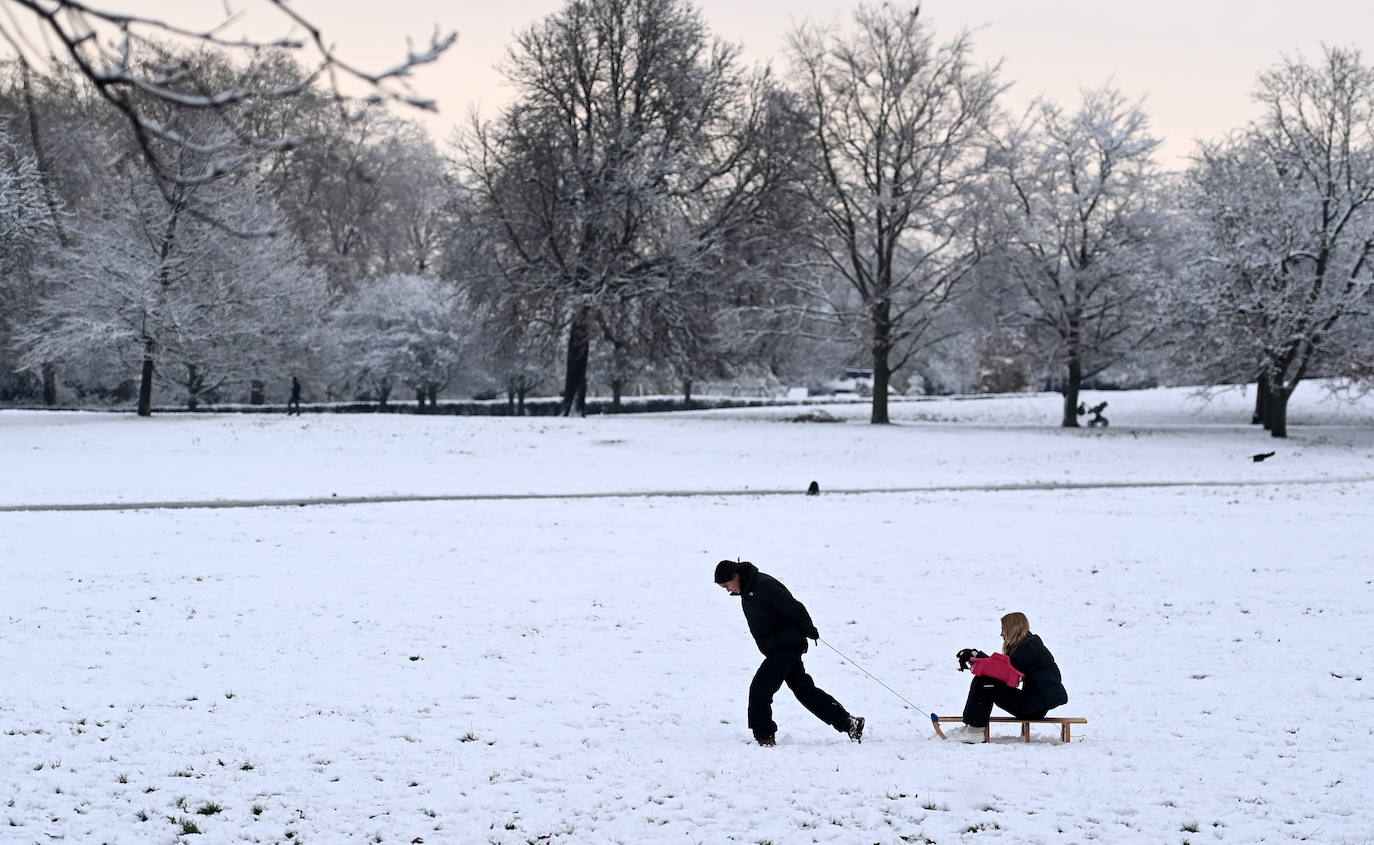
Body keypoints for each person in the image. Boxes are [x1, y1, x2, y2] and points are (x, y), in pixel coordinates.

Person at [713, 559, 865, 747]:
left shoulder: (762, 585)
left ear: (736, 576)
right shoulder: (749, 589)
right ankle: (849, 723)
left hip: (785, 646)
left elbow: (793, 607)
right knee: (804, 690)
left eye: (727, 585)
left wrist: (809, 629)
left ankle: (764, 736)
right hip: (780, 646)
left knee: (760, 688)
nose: (728, 590)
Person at [950, 611, 1068, 743]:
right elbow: (1001, 669)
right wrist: (976, 656)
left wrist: (976, 655)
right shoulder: (1028, 645)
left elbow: (1003, 670)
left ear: (1013, 628)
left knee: (986, 681)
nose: (1001, 634)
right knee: (985, 679)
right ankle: (971, 726)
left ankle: (975, 730)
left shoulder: (1029, 647)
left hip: (1032, 708)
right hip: (1033, 704)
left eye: (1003, 629)